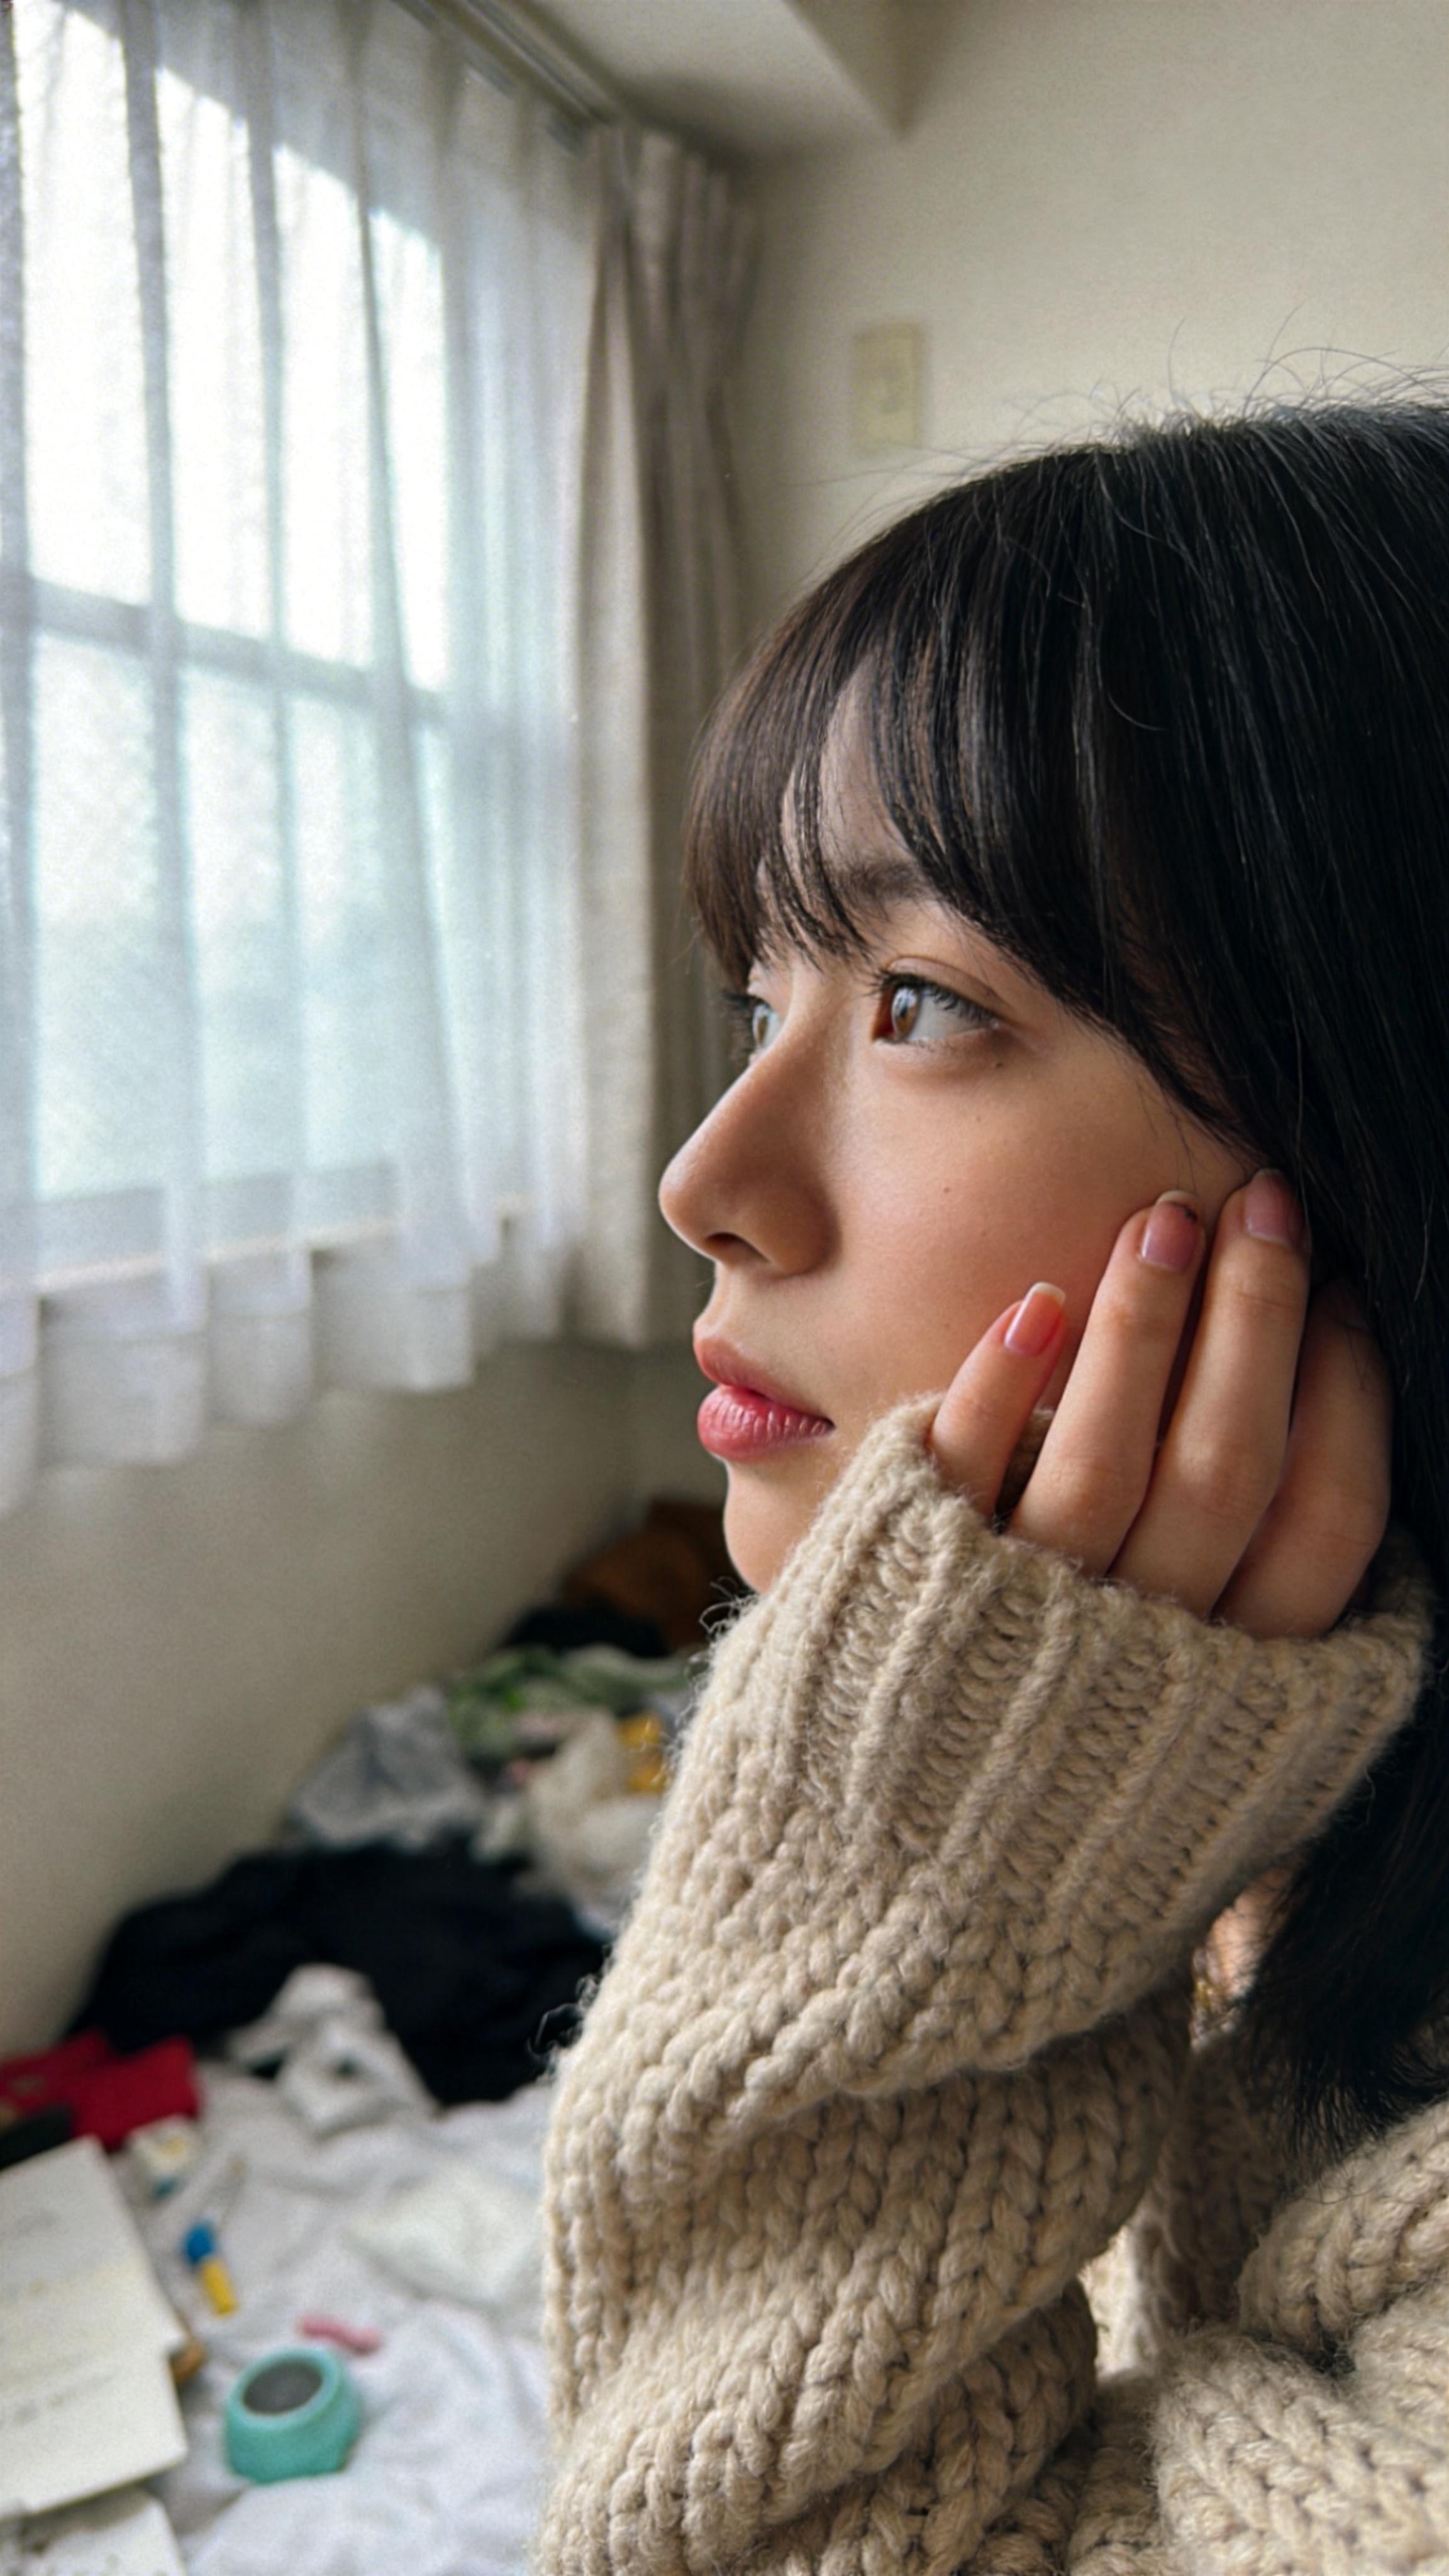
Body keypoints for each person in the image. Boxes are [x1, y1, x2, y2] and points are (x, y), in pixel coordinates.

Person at [528, 401, 1449, 2573]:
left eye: (924, 1004)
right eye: (758, 994)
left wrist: (910, 1870)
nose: (705, 1183)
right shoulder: (1309, 1842)